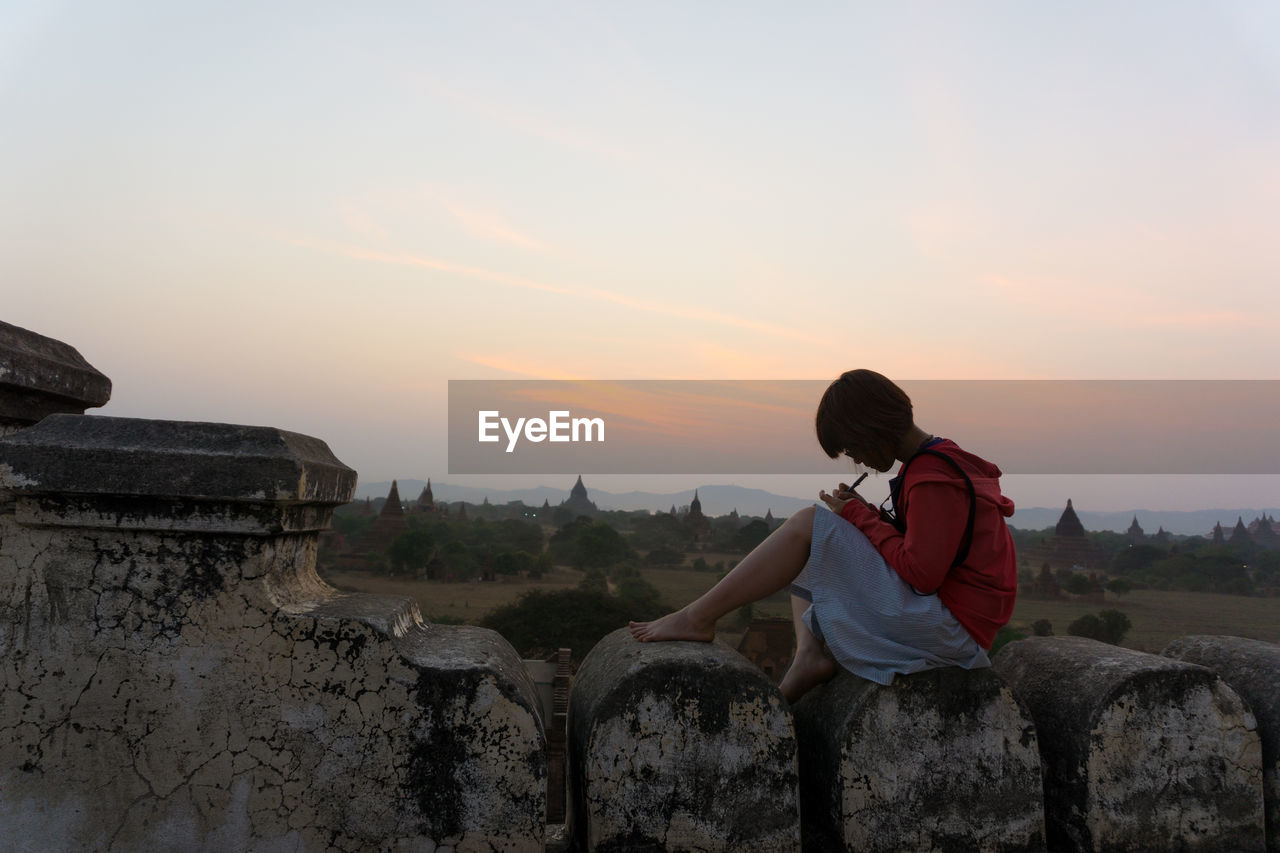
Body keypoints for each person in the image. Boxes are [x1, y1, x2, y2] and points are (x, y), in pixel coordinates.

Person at [629, 369, 1018, 703]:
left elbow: (922, 572)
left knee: (808, 525)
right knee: (819, 537)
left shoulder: (932, 475)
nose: (858, 461)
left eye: (852, 448)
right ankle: (808, 656)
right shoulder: (938, 461)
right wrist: (862, 514)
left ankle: (697, 618)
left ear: (869, 430)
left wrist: (859, 517)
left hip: (953, 630)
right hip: (954, 623)